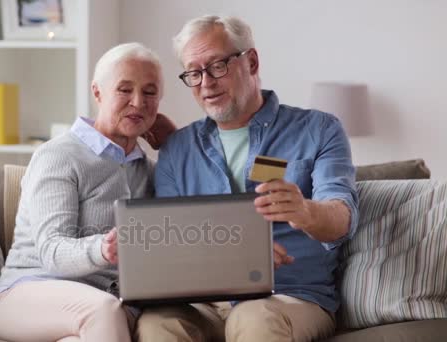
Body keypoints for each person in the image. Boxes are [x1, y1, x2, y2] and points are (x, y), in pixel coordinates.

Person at [136, 15, 359, 342]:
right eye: (194, 73)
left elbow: (342, 217)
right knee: (157, 323)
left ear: (251, 61)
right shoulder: (178, 148)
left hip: (288, 298)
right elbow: (171, 246)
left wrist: (306, 211)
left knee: (254, 316)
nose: (206, 83)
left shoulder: (319, 129)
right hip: (205, 303)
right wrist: (239, 258)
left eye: (217, 66)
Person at [0, 42, 173, 342]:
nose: (138, 102)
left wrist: (175, 143)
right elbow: (51, 252)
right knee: (104, 312)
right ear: (98, 92)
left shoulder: (149, 171)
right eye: (124, 90)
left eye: (149, 92)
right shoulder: (60, 155)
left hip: (100, 308)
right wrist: (103, 249)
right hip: (27, 293)